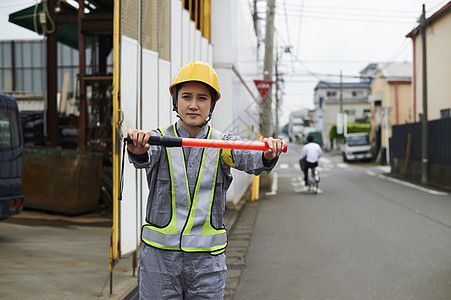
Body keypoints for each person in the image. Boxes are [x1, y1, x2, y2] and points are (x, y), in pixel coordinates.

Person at [126, 60, 286, 299]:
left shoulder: (223, 145)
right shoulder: (158, 139)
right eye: (186, 96)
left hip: (206, 265)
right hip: (159, 261)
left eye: (202, 98)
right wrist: (137, 147)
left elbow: (249, 156)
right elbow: (144, 154)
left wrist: (267, 152)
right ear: (175, 101)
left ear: (211, 104)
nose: (193, 105)